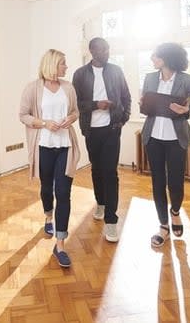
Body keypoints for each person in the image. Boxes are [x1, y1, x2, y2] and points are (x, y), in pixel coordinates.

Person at [19, 49, 81, 268]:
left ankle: (60, 244)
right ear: (52, 64)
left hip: (65, 147)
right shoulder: (32, 88)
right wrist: (44, 123)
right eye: (63, 63)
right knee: (47, 188)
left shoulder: (68, 87)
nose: (66, 67)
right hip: (43, 147)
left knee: (63, 192)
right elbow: (23, 115)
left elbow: (75, 111)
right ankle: (48, 216)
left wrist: (70, 119)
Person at [72, 37, 131, 242]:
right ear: (91, 51)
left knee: (110, 172)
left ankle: (111, 221)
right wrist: (97, 104)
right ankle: (100, 202)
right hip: (91, 130)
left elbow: (126, 96)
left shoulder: (116, 70)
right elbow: (77, 104)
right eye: (102, 50)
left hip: (112, 129)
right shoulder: (80, 74)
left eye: (107, 49)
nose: (106, 53)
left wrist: (123, 118)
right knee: (96, 169)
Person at [140, 42, 190, 247]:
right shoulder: (149, 78)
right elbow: (146, 108)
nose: (152, 59)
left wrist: (185, 112)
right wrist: (143, 104)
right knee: (157, 181)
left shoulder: (187, 80)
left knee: (175, 182)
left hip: (176, 138)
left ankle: (175, 213)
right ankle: (163, 226)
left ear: (166, 58)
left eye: (155, 56)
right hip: (153, 137)